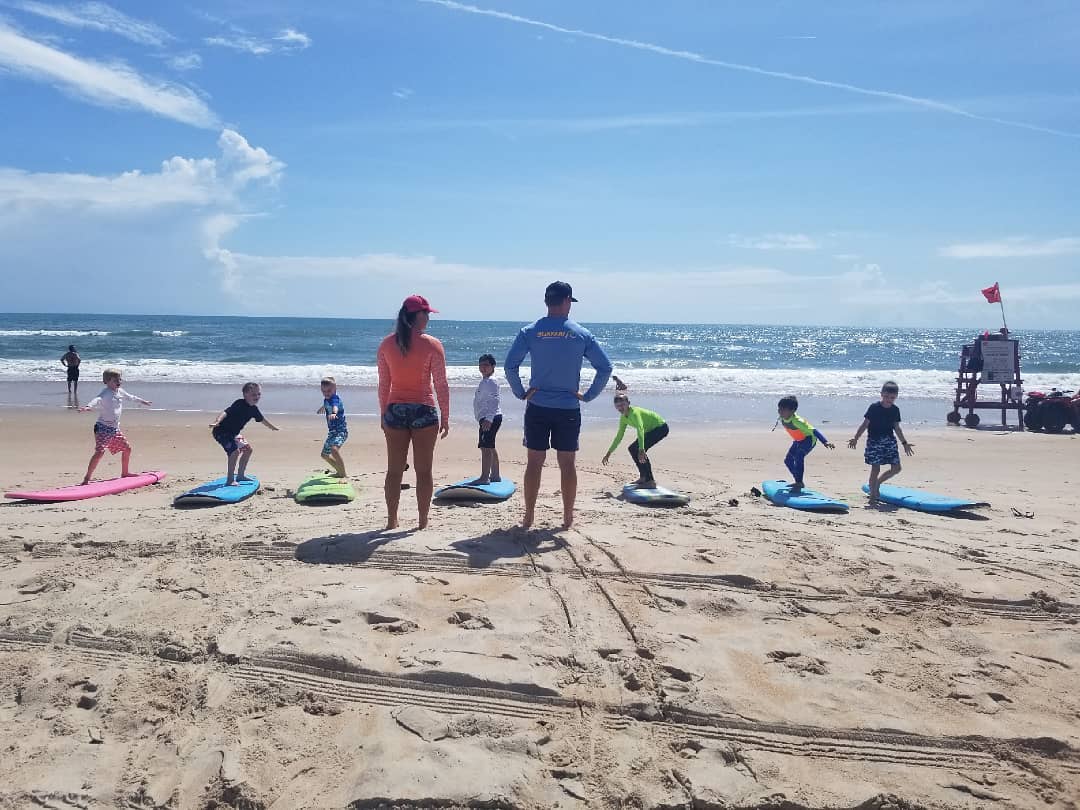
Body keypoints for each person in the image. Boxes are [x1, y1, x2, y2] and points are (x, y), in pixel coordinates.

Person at [505, 281, 612, 530]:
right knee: (567, 464)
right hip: (568, 408)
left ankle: (529, 516)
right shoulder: (581, 334)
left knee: (534, 463)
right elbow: (605, 367)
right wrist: (588, 395)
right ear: (566, 302)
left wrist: (521, 393)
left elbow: (510, 365)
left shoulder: (530, 331)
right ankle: (567, 518)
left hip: (538, 405)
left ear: (546, 302)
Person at [377, 294, 450, 530]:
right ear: (416, 315)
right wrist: (446, 416)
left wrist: (383, 413)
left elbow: (384, 385)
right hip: (424, 410)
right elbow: (440, 384)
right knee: (424, 470)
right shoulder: (432, 344)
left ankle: (392, 520)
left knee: (394, 471)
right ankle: (422, 521)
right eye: (426, 313)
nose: (428, 318)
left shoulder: (387, 344)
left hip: (395, 410)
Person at [78, 368, 151, 484]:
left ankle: (125, 472)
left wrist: (143, 401)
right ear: (106, 381)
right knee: (100, 452)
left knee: (127, 449)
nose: (119, 381)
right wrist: (88, 406)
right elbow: (97, 399)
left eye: (120, 379)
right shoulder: (106, 393)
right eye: (115, 380)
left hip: (114, 429)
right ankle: (87, 478)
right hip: (102, 428)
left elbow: (131, 397)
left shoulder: (120, 391)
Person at [848, 380, 914, 503]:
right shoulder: (874, 408)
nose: (889, 399)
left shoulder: (895, 410)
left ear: (896, 397)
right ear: (881, 394)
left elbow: (897, 428)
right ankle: (873, 494)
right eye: (887, 396)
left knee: (897, 468)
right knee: (875, 469)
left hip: (889, 441)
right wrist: (856, 438)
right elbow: (865, 424)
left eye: (892, 397)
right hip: (874, 441)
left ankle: (878, 483)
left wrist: (904, 443)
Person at [209, 382, 279, 486]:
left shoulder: (254, 409)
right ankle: (230, 480)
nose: (257, 397)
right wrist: (217, 421)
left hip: (233, 434)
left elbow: (262, 420)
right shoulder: (239, 403)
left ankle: (240, 475)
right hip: (221, 432)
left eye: (259, 394)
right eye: (253, 394)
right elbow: (226, 412)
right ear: (245, 395)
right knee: (234, 452)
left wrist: (272, 427)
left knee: (248, 450)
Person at [602, 391, 669, 489]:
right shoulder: (623, 418)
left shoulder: (635, 413)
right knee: (632, 448)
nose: (620, 408)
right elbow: (619, 436)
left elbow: (640, 429)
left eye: (623, 405)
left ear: (628, 403)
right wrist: (609, 453)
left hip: (660, 428)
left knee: (638, 449)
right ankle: (643, 477)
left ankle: (650, 481)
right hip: (651, 430)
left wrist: (642, 449)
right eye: (618, 406)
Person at [776, 395, 834, 492]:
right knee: (788, 460)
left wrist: (825, 442)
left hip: (808, 439)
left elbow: (814, 431)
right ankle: (798, 480)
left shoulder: (798, 421)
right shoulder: (782, 417)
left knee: (799, 456)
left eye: (783, 409)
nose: (780, 411)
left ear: (792, 411)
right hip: (798, 440)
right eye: (779, 409)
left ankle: (799, 482)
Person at [472, 354, 502, 485]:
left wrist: (488, 419)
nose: (483, 367)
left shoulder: (491, 381)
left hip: (491, 418)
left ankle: (485, 477)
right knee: (490, 446)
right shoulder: (485, 381)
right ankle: (495, 475)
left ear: (493, 366)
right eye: (481, 365)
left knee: (485, 447)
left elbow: (495, 400)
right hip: (488, 417)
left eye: (486, 365)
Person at [316, 376, 348, 478]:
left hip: (341, 431)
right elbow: (326, 403)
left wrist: (334, 413)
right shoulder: (326, 399)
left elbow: (335, 405)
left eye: (329, 391)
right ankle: (339, 471)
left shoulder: (335, 399)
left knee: (334, 450)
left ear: (335, 389)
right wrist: (323, 408)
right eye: (323, 391)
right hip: (332, 433)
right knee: (324, 455)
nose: (326, 393)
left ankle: (343, 475)